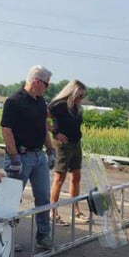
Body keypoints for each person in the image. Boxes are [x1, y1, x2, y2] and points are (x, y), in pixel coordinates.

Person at [1, 65, 57, 250]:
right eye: (46, 84)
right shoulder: (14, 101)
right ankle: (5, 238)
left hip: (38, 156)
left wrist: (50, 150)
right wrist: (14, 156)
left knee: (43, 197)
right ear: (36, 81)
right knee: (12, 200)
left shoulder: (41, 102)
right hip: (21, 157)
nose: (47, 88)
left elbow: (43, 127)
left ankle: (43, 236)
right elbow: (6, 130)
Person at [48, 79, 89, 226]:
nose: (81, 99)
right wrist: (55, 132)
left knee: (76, 177)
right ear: (72, 92)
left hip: (76, 144)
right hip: (63, 145)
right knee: (59, 178)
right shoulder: (58, 105)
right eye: (79, 95)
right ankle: (53, 212)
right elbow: (43, 118)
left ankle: (75, 210)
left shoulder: (77, 107)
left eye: (82, 96)